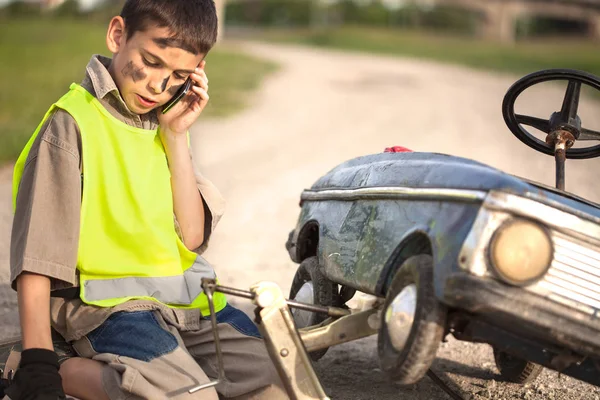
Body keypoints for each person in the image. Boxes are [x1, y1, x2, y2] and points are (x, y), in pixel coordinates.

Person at [4, 1, 285, 399]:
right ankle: (58, 366)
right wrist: (39, 362)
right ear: (118, 35)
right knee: (193, 397)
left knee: (286, 381)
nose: (159, 86)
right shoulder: (71, 125)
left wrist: (174, 136)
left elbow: (189, 238)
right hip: (110, 311)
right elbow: (38, 255)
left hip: (187, 307)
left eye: (180, 75)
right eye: (151, 62)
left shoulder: (167, 122)